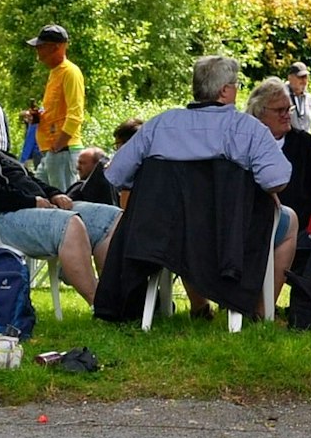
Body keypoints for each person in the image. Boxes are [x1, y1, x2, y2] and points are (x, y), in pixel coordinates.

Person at [104, 55, 291, 317]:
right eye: (235, 84)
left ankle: (200, 304)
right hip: (228, 239)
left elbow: (116, 174)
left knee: (188, 223)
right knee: (289, 221)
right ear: (225, 91)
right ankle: (259, 312)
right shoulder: (248, 129)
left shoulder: (160, 125)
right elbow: (276, 180)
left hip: (166, 237)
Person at [0, 99, 121, 304]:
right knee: (70, 223)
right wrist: (31, 201)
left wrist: (53, 194)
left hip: (34, 208)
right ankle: (101, 304)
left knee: (113, 217)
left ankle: (118, 295)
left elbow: (29, 178)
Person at [247, 77, 311, 299]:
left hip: (303, 224)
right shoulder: (244, 143)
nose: (287, 115)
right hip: (252, 221)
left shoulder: (303, 142)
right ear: (259, 113)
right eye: (279, 110)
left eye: (289, 109)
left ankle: (270, 307)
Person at [21, 24, 85, 192]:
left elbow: (76, 114)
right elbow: (55, 110)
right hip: (51, 151)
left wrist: (59, 145)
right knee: (39, 194)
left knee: (64, 202)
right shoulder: (55, 72)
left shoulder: (70, 72)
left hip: (63, 150)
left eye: (41, 47)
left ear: (56, 47)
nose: (38, 52)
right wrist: (38, 115)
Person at [285, 61, 311, 133]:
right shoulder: (282, 97)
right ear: (290, 78)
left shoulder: (310, 100)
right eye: (300, 77)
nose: (304, 81)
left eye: (305, 77)